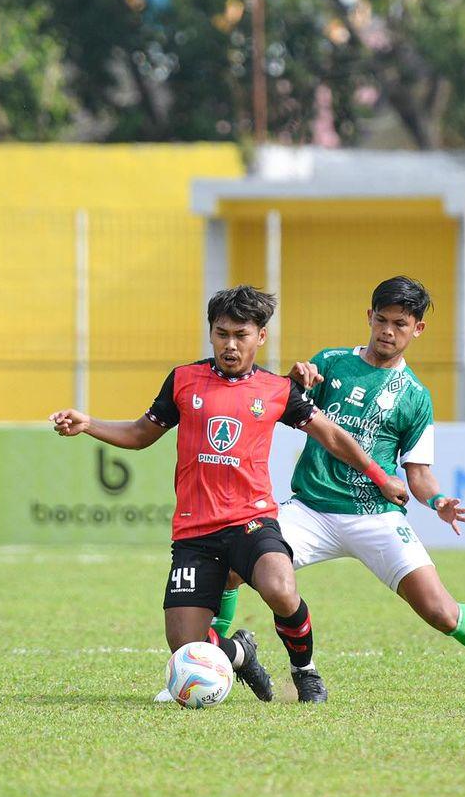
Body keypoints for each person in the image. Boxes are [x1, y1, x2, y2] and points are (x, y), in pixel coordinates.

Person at [218, 276, 465, 704]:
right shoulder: (333, 362)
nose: (387, 332)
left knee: (442, 613)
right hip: (310, 510)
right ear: (369, 317)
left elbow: (418, 474)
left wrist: (438, 500)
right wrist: (298, 376)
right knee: (230, 568)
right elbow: (279, 399)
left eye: (400, 323)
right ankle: (206, 662)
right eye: (381, 320)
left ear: (418, 329)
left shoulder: (415, 397)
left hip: (376, 517)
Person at [50, 285, 408, 704]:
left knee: (280, 587)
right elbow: (140, 433)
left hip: (250, 520)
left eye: (241, 335)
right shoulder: (184, 379)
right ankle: (240, 653)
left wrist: (381, 478)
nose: (230, 345)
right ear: (211, 333)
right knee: (186, 647)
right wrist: (88, 423)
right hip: (193, 531)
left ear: (261, 337)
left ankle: (305, 672)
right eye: (222, 334)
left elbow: (330, 434)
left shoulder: (277, 389)